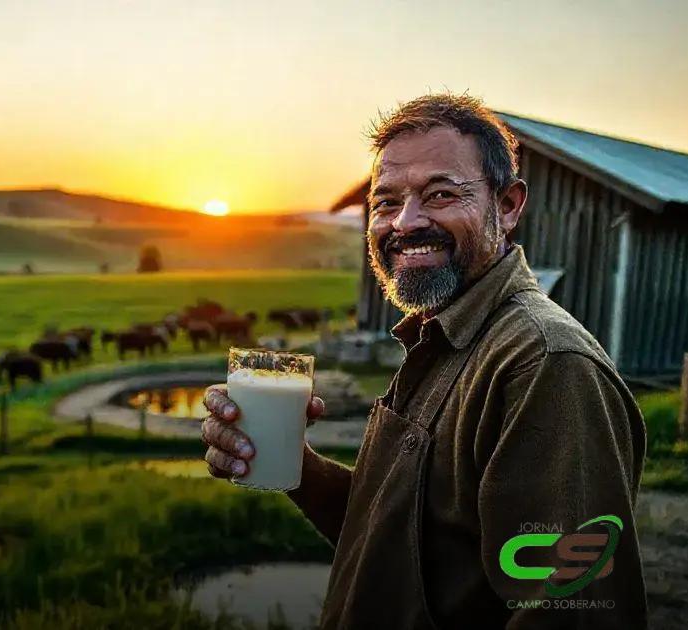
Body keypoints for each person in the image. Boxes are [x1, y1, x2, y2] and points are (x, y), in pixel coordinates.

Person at [202, 93, 647, 628]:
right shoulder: (444, 335)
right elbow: (403, 544)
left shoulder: (544, 365)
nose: (405, 223)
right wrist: (294, 466)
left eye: (439, 194)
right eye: (385, 202)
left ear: (507, 206)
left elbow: (575, 613)